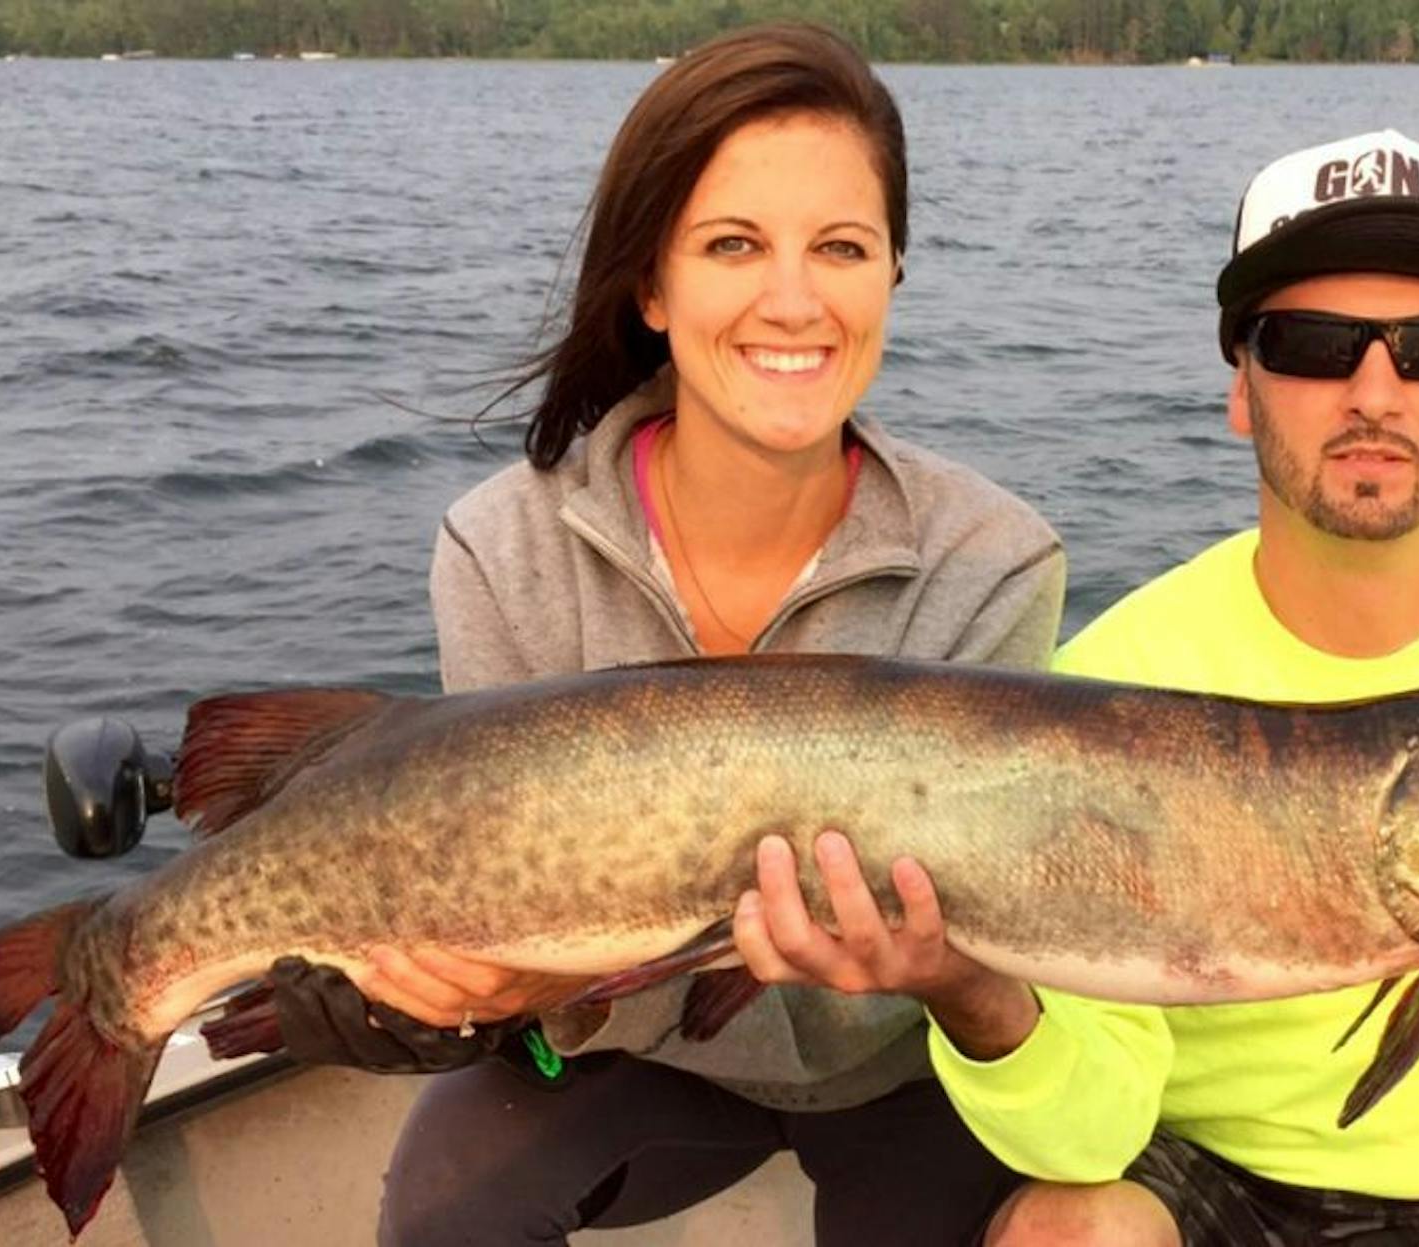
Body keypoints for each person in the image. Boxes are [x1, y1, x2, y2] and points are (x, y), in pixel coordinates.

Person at [732, 129, 1419, 1246]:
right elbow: (1087, 1134)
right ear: (1243, 390)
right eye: (1312, 344)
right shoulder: (1118, 677)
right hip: (1181, 1171)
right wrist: (966, 987)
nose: (1375, 391)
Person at [256, 23, 1064, 1247]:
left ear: (893, 271)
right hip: (631, 1053)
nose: (792, 299)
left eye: (840, 247)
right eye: (733, 244)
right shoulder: (500, 548)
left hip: (901, 1067)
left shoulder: (995, 558)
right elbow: (518, 926)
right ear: (651, 284)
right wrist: (467, 993)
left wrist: (946, 973)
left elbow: (1005, 945)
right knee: (444, 1209)